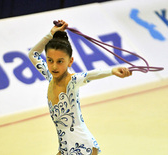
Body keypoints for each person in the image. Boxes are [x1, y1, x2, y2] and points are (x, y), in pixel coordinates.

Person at [28, 20, 132, 155]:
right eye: (50, 60)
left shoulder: (72, 81)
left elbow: (91, 74)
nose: (54, 66)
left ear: (70, 61)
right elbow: (33, 54)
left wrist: (112, 71)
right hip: (66, 147)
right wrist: (51, 34)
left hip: (82, 146)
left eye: (60, 61)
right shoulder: (49, 76)